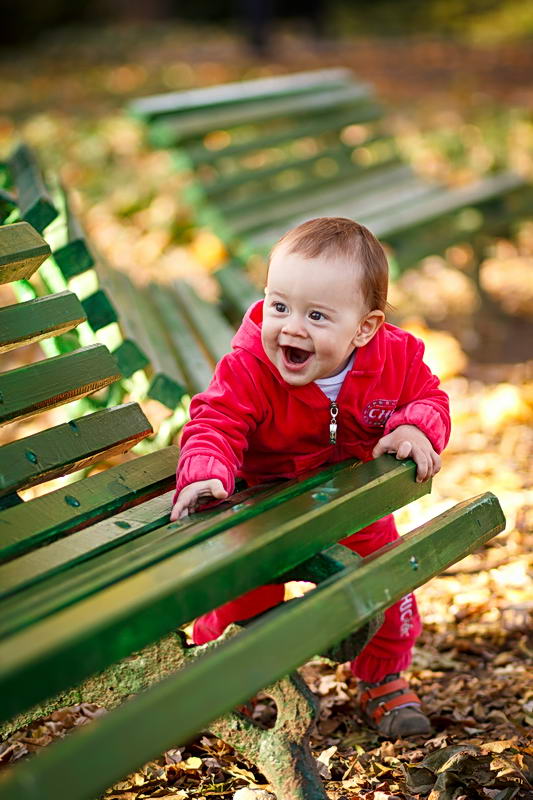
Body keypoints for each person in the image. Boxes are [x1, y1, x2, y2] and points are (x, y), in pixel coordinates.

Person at [171, 216, 450, 737]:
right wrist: (207, 472)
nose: (291, 327)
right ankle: (222, 677)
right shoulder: (250, 367)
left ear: (364, 328)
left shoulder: (395, 359)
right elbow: (216, 421)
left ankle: (383, 677)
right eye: (279, 306)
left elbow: (429, 398)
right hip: (260, 510)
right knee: (241, 600)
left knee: (388, 581)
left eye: (317, 315)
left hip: (351, 501)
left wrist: (416, 426)